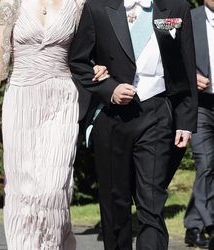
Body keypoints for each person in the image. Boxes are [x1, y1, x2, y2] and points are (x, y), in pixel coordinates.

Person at [0, 0, 108, 249]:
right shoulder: (10, 3)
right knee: (22, 190)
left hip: (62, 100)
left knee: (53, 189)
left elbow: (89, 51)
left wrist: (99, 65)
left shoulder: (79, 4)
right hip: (21, 98)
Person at [69, 0, 198, 249]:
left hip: (158, 114)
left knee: (151, 201)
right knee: (115, 203)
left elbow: (186, 65)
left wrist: (185, 121)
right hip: (112, 117)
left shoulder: (176, 6)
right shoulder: (97, 7)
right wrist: (109, 88)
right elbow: (79, 62)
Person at [184, 1, 214, 249]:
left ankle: (193, 225)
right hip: (201, 105)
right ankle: (206, 225)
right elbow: (170, 56)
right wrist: (190, 75)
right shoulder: (189, 18)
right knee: (206, 163)